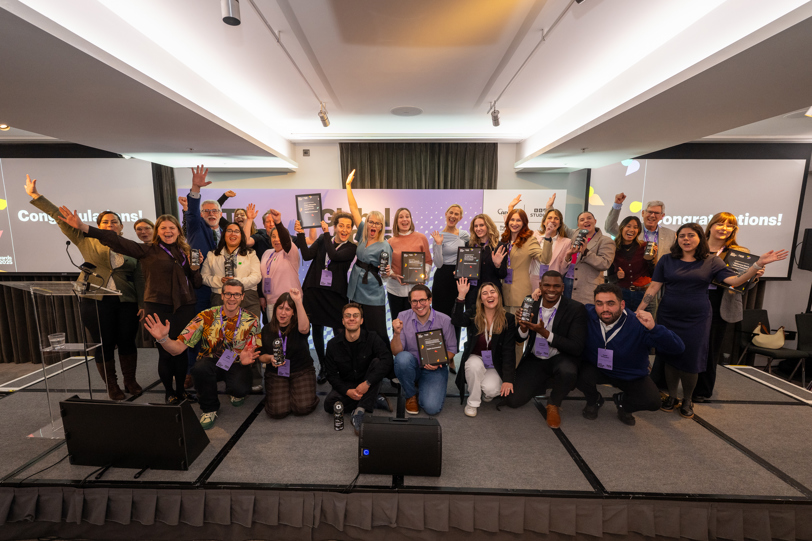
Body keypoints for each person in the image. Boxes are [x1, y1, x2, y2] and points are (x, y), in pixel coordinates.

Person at [637, 223, 788, 419]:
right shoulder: (667, 260)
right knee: (669, 355)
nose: (686, 239)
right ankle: (672, 397)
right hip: (669, 315)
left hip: (697, 318)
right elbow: (653, 287)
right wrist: (639, 309)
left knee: (690, 357)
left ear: (700, 238)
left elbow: (735, 282)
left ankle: (688, 399)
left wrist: (757, 265)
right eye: (682, 236)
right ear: (677, 239)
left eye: (691, 235)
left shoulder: (712, 261)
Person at [59, 210, 203, 404]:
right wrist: (84, 227)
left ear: (178, 231)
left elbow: (197, 283)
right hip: (158, 307)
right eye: (163, 228)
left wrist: (195, 269)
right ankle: (170, 393)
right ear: (157, 232)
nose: (168, 231)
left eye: (172, 227)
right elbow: (115, 240)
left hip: (185, 306)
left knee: (181, 350)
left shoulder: (186, 253)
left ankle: (181, 391)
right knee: (165, 352)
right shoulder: (146, 250)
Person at [26, 175, 144, 400]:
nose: (110, 225)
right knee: (104, 342)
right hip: (95, 300)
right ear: (98, 226)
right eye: (105, 222)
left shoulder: (131, 246)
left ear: (121, 226)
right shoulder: (85, 239)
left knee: (128, 341)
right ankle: (112, 386)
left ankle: (130, 380)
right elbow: (60, 218)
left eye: (114, 222)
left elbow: (139, 277)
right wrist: (36, 196)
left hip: (125, 301)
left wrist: (141, 303)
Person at [143, 280, 261, 429]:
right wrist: (163, 339)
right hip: (210, 362)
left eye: (236, 294)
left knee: (241, 388)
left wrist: (246, 361)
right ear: (222, 295)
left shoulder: (252, 320)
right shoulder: (206, 316)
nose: (232, 298)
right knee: (199, 369)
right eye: (228, 294)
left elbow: (253, 351)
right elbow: (177, 349)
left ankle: (235, 391)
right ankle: (209, 409)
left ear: (243, 296)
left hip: (236, 362)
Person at [577, 283, 684, 426]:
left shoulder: (638, 323)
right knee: (573, 371)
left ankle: (623, 405)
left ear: (622, 304)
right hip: (598, 369)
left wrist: (654, 328)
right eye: (599, 304)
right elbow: (563, 308)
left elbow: (678, 348)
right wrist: (539, 296)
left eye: (610, 303)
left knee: (653, 401)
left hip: (629, 374)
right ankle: (594, 400)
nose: (605, 309)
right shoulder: (588, 314)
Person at [506, 271, 587, 429]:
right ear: (540, 286)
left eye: (556, 286)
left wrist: (544, 333)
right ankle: (545, 381)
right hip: (535, 358)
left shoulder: (576, 309)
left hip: (561, 358)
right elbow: (519, 338)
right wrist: (523, 328)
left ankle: (554, 403)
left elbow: (577, 347)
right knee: (513, 401)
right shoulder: (530, 304)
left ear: (563, 287)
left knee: (568, 372)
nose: (551, 289)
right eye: (547, 285)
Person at [694, 213, 762, 401]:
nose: (724, 228)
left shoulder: (740, 251)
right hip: (693, 298)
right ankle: (676, 384)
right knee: (688, 343)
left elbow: (744, 285)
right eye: (720, 223)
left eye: (729, 225)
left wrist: (754, 275)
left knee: (710, 347)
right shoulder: (695, 246)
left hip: (720, 301)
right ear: (711, 225)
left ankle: (702, 390)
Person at [294, 213, 357, 384]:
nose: (344, 229)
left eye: (348, 226)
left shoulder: (352, 247)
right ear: (335, 226)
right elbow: (307, 255)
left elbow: (334, 256)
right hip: (315, 290)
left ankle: (340, 366)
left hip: (335, 294)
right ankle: (322, 366)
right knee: (317, 329)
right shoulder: (323, 239)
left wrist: (327, 235)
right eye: (341, 225)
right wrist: (300, 234)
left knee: (340, 331)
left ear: (351, 230)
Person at [323, 303, 394, 434]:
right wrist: (347, 391)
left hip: (368, 382)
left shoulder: (372, 338)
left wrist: (367, 383)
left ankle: (360, 410)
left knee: (378, 362)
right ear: (343, 321)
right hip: (348, 384)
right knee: (329, 405)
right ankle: (373, 399)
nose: (351, 318)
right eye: (348, 316)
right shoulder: (332, 344)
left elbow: (387, 360)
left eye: (355, 316)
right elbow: (331, 374)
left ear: (361, 320)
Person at [451, 279, 517, 417]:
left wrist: (508, 379)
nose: (489, 296)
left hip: (495, 362)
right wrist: (461, 295)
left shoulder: (508, 319)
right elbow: (457, 321)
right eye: (485, 293)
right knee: (473, 366)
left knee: (492, 390)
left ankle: (482, 389)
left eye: (493, 292)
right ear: (481, 299)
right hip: (476, 357)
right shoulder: (474, 314)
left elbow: (508, 350)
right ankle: (473, 402)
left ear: (498, 296)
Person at [391, 285, 457, 416]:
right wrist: (396, 334)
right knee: (402, 359)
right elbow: (396, 353)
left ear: (430, 300)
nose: (419, 304)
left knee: (432, 408)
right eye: (414, 301)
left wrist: (439, 361)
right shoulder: (402, 317)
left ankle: (419, 384)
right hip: (412, 364)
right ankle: (410, 394)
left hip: (435, 368)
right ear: (410, 302)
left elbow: (452, 350)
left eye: (423, 300)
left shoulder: (445, 320)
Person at [344, 169, 393, 342]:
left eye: (377, 223)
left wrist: (387, 272)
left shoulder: (385, 245)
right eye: (370, 221)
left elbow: (386, 274)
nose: (373, 225)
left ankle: (384, 365)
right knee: (358, 331)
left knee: (377, 332)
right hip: (356, 288)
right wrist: (348, 186)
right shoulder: (363, 235)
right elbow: (353, 209)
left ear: (381, 227)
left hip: (373, 292)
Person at [259, 288, 319, 419]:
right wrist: (270, 358)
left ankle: (296, 391)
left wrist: (298, 301)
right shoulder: (267, 329)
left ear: (293, 313)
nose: (283, 313)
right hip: (276, 372)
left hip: (301, 370)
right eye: (280, 308)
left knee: (302, 408)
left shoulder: (299, 325)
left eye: (288, 309)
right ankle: (288, 391)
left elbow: (304, 329)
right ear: (275, 309)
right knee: (277, 411)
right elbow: (261, 356)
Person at [241, 205, 301, 316]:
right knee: (273, 332)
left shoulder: (291, 251)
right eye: (274, 236)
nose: (277, 239)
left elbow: (287, 242)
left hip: (290, 300)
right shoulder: (267, 253)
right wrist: (262, 296)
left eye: (280, 236)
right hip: (270, 302)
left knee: (290, 332)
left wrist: (278, 222)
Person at [430, 204, 470, 362]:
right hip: (442, 279)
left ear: (460, 217)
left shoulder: (464, 235)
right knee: (440, 317)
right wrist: (438, 244)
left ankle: (452, 355)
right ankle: (437, 353)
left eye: (457, 214)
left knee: (456, 317)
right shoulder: (438, 235)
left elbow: (469, 255)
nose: (453, 216)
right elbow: (438, 264)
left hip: (458, 279)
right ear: (446, 214)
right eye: (451, 213)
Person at [201, 223, 262, 317]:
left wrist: (236, 282)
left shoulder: (250, 254)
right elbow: (203, 277)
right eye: (229, 231)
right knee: (222, 331)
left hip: (247, 298)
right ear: (224, 234)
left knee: (249, 331)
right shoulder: (212, 255)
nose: (233, 234)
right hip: (220, 298)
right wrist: (220, 280)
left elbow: (257, 277)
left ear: (241, 236)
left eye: (237, 231)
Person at [387, 207, 433, 320]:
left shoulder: (421, 238)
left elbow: (428, 261)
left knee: (416, 324)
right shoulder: (389, 242)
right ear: (396, 221)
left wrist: (425, 274)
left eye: (407, 216)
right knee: (398, 324)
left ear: (411, 219)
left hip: (417, 292)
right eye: (401, 217)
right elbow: (387, 266)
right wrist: (393, 275)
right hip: (395, 290)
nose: (404, 219)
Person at [605, 194, 676, 262]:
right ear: (643, 213)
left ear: (662, 216)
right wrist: (617, 205)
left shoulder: (671, 235)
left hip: (660, 273)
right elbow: (610, 228)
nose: (652, 215)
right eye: (650, 212)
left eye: (656, 213)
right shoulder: (632, 231)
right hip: (637, 273)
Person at [565, 212, 615, 305]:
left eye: (589, 218)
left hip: (587, 290)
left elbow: (605, 263)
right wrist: (549, 208)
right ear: (578, 225)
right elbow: (562, 226)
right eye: (582, 220)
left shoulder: (605, 241)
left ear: (595, 221)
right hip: (567, 283)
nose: (586, 221)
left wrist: (586, 252)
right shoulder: (575, 234)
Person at [609, 216, 655, 312]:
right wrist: (617, 276)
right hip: (622, 294)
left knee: (646, 325)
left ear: (638, 231)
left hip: (645, 294)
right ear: (622, 228)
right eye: (628, 226)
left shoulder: (645, 247)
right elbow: (610, 278)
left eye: (635, 227)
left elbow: (654, 274)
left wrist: (652, 259)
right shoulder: (613, 249)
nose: (631, 230)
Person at [464, 214, 508, 312]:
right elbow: (466, 269)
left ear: (488, 226)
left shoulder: (499, 247)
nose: (478, 228)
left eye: (481, 225)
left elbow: (503, 274)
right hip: (473, 295)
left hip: (492, 295)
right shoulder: (469, 246)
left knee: (493, 326)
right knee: (473, 325)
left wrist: (497, 265)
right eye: (476, 226)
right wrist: (460, 272)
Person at [537, 208, 573, 296]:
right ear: (544, 222)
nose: (552, 221)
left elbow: (563, 270)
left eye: (556, 218)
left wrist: (567, 256)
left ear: (560, 224)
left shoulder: (566, 242)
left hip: (553, 285)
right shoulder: (534, 236)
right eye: (549, 218)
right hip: (534, 280)